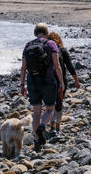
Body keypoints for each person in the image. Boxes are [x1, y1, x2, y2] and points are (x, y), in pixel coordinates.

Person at [20, 23, 64, 152]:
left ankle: (36, 141)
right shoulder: (51, 44)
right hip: (48, 80)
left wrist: (22, 85)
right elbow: (57, 65)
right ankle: (43, 125)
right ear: (46, 32)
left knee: (36, 113)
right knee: (50, 109)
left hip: (32, 81)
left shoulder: (28, 45)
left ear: (35, 32)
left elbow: (23, 68)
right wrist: (61, 83)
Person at [47, 32, 81, 136]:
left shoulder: (46, 50)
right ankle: (57, 126)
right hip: (61, 82)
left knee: (50, 105)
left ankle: (52, 127)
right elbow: (70, 67)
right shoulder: (62, 50)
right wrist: (76, 80)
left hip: (48, 82)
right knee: (59, 104)